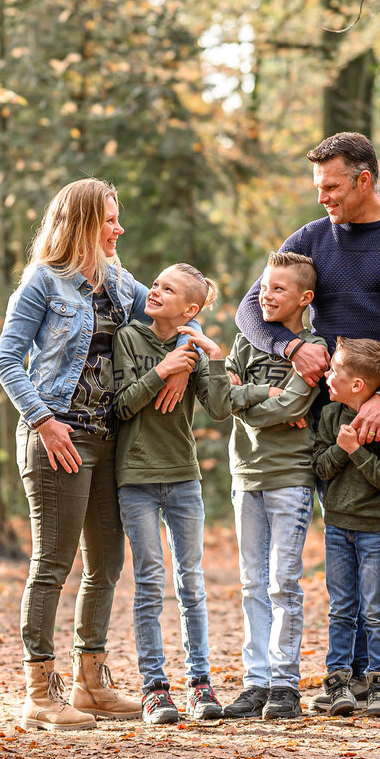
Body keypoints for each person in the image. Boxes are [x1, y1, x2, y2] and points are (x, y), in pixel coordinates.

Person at [235, 131, 380, 718]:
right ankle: (361, 680)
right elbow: (250, 308)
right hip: (333, 421)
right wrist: (290, 347)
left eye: (332, 187)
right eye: (319, 187)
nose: (323, 198)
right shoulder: (312, 240)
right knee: (352, 539)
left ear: (364, 179)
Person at [0, 178, 189, 732]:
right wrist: (44, 422)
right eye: (108, 219)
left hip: (111, 439)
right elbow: (8, 362)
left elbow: (174, 310)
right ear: (80, 222)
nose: (118, 229)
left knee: (106, 564)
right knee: (53, 564)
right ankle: (39, 689)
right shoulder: (41, 282)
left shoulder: (119, 282)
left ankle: (91, 683)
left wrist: (187, 351)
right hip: (57, 437)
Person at [111, 263, 231, 724]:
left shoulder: (195, 349)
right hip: (136, 477)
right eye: (156, 284)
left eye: (169, 289)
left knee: (191, 583)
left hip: (183, 477)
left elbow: (219, 410)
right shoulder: (128, 337)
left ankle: (200, 684)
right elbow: (120, 405)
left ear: (191, 309)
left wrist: (212, 357)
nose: (155, 291)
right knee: (149, 583)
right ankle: (154, 688)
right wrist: (163, 370)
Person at [221, 251, 323, 722]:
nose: (266, 294)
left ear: (304, 299)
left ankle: (284, 685)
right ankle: (255, 683)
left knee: (284, 584)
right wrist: (267, 395)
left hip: (290, 479)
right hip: (246, 475)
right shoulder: (245, 343)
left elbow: (287, 407)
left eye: (278, 289)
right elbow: (226, 401)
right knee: (251, 584)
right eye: (263, 286)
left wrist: (254, 399)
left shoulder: (314, 348)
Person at [313, 338, 380, 719]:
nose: (327, 373)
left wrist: (356, 451)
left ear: (357, 385)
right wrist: (341, 447)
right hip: (337, 527)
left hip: (377, 532)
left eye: (334, 370)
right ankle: (338, 683)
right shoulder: (330, 417)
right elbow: (320, 468)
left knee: (375, 609)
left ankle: (379, 685)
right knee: (342, 608)